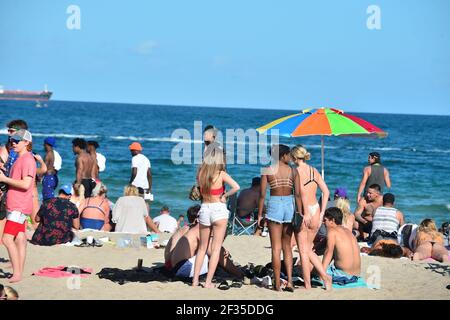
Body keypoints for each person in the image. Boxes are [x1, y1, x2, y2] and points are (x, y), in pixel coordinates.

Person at [192, 142, 240, 288]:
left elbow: (200, 191)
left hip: (205, 209)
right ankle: (207, 282)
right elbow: (236, 187)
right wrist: (224, 195)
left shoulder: (201, 173)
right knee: (216, 248)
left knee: (202, 247)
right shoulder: (221, 174)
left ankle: (194, 281)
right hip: (219, 210)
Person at [166, 204, 244, 280]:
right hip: (182, 268)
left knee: (211, 251)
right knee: (215, 254)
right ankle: (239, 274)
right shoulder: (199, 230)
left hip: (171, 266)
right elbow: (214, 250)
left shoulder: (187, 229)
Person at [290, 145, 332, 290]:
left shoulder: (295, 171)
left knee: (303, 250)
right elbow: (326, 192)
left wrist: (305, 213)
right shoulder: (314, 171)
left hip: (304, 212)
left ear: (295, 157)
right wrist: (321, 214)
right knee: (308, 249)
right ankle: (325, 277)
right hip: (316, 210)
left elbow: (300, 194)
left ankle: (309, 284)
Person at [258, 144, 298, 292]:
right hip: (289, 204)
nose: (290, 157)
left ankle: (276, 285)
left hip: (274, 203)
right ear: (283, 156)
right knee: (287, 247)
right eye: (288, 155)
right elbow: (298, 194)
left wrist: (260, 214)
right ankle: (289, 282)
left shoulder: (267, 170)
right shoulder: (293, 171)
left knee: (276, 248)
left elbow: (262, 195)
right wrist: (299, 212)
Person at [0, 129, 36, 283]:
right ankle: (19, 271)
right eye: (12, 140)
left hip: (19, 207)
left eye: (17, 140)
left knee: (7, 239)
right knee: (20, 238)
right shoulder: (20, 158)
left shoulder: (27, 159)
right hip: (16, 204)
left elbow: (26, 184)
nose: (13, 143)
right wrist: (5, 177)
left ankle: (17, 273)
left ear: (27, 142)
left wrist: (4, 179)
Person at [0, 120, 28, 245]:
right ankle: (15, 262)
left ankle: (16, 262)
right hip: (6, 190)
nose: (8, 133)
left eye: (11, 131)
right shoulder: (7, 147)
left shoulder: (23, 152)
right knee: (17, 229)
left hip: (17, 193)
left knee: (17, 231)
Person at [322, 207, 361, 279]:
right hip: (356, 275)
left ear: (332, 220)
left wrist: (321, 274)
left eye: (325, 220)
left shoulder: (332, 232)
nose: (323, 223)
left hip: (342, 274)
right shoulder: (349, 232)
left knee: (311, 266)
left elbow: (328, 253)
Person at [41, 137, 62, 201]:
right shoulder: (53, 153)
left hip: (48, 178)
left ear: (46, 144)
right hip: (53, 177)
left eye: (44, 144)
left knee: (47, 199)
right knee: (50, 198)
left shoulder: (48, 155)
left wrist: (38, 176)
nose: (43, 146)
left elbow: (44, 169)